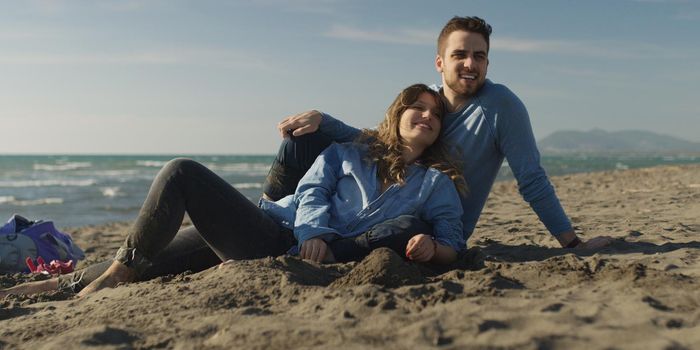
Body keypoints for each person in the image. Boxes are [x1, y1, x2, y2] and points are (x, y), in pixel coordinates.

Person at [0, 84, 467, 298]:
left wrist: (432, 251)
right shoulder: (351, 152)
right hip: (279, 228)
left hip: (276, 249)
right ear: (397, 114)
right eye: (416, 107)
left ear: (440, 128)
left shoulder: (436, 184)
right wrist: (315, 232)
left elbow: (453, 239)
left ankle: (113, 274)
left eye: (434, 113)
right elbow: (312, 192)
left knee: (181, 172)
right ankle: (63, 283)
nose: (425, 115)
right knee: (154, 257)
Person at [267, 16, 612, 250]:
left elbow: (532, 178)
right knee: (304, 139)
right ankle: (267, 216)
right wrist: (323, 120)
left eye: (479, 56)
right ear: (440, 62)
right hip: (391, 203)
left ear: (488, 64)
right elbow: (383, 143)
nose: (470, 64)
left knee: (402, 227)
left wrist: (571, 243)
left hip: (431, 224)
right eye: (459, 54)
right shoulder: (425, 101)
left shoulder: (501, 106)